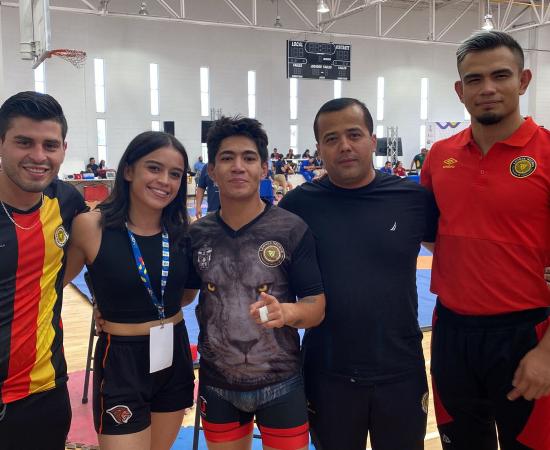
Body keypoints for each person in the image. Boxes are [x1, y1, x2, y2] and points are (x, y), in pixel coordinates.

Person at [279, 97, 438, 450]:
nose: (344, 146)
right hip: (327, 372)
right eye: (331, 138)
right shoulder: (296, 206)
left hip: (400, 369)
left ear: (373, 140)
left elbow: (456, 252)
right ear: (319, 148)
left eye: (354, 134)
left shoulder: (412, 199)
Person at [421, 31, 550, 449]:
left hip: (528, 334)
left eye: (500, 75)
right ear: (461, 90)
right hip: (452, 333)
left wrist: (548, 353)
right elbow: (431, 233)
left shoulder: (548, 153)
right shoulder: (439, 156)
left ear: (523, 80)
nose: (487, 88)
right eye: (474, 79)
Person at [188, 116, 325, 450]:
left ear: (264, 169)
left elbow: (316, 307)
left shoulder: (291, 229)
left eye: (248, 158)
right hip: (217, 383)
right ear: (212, 171)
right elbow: (180, 296)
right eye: (227, 158)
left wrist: (287, 312)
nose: (238, 166)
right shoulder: (196, 235)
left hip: (282, 381)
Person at [64, 131, 196, 450]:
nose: (164, 181)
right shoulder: (91, 226)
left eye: (175, 174)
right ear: (128, 170)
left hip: (174, 353)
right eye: (154, 168)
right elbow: (51, 287)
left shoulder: (184, 231)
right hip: (121, 358)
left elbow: (186, 296)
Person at [0, 91, 87, 450]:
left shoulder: (66, 201)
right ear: (1, 143)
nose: (38, 156)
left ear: (63, 149)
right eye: (24, 142)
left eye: (49, 145)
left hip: (43, 395)